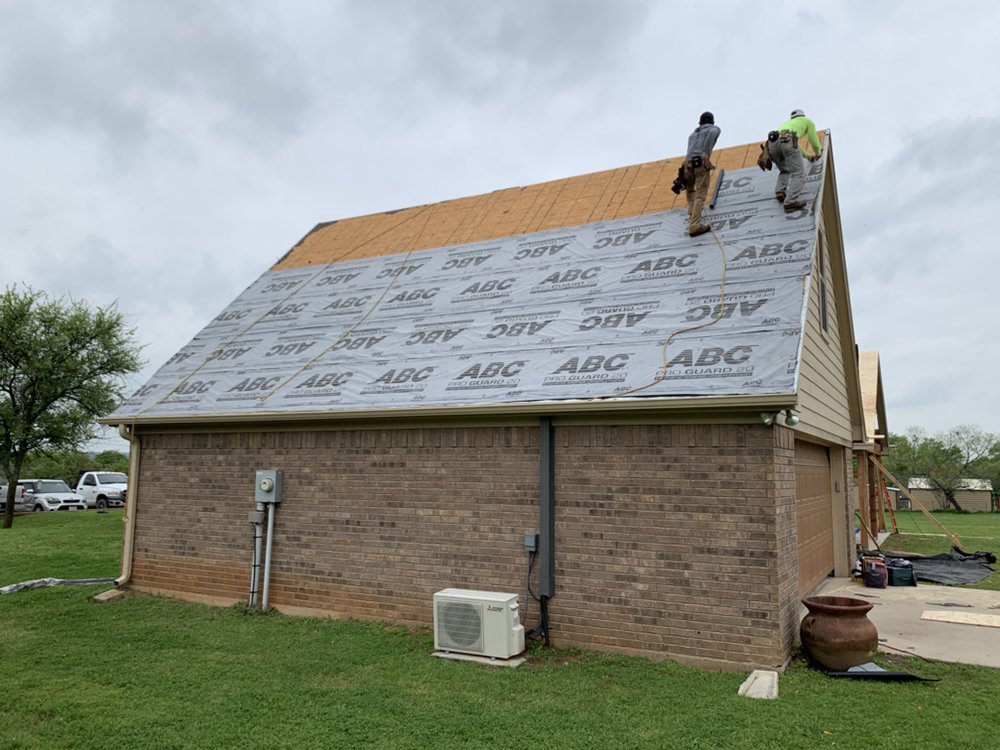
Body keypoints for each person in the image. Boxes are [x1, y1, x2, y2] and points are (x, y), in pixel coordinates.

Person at [767, 108, 823, 211]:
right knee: (798, 174)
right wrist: (818, 152)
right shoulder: (807, 121)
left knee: (785, 170)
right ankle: (790, 202)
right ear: (803, 116)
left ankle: (780, 191)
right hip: (788, 140)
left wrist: (808, 156)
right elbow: (813, 139)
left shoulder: (787, 124)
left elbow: (793, 144)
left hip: (772, 143)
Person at [683, 111, 721, 237]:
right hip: (700, 163)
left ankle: (692, 211)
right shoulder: (713, 129)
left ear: (700, 122)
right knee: (700, 193)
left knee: (689, 189)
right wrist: (705, 153)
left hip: (687, 164)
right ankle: (694, 226)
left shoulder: (693, 134)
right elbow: (713, 133)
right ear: (712, 121)